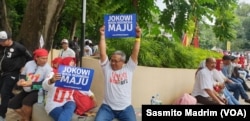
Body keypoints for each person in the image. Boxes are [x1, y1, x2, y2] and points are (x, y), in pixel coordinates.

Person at [95, 24, 142, 121]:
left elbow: (135, 53)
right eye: (112, 60)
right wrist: (102, 35)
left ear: (123, 62)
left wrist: (138, 37)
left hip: (125, 108)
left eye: (115, 61)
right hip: (107, 108)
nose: (112, 63)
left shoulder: (129, 69)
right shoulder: (107, 69)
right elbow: (103, 53)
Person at [42, 57, 95, 121]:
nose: (72, 67)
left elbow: (83, 87)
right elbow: (44, 86)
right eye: (70, 65)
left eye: (73, 65)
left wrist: (91, 95)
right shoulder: (54, 74)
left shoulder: (75, 76)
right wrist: (51, 80)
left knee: (71, 104)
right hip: (53, 104)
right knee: (65, 117)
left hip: (68, 101)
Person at [8, 48, 52, 121]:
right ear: (36, 58)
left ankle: (26, 119)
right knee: (12, 104)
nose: (45, 60)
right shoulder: (29, 64)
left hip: (39, 90)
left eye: (46, 58)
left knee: (26, 102)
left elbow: (45, 84)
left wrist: (32, 84)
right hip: (26, 89)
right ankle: (27, 117)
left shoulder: (48, 69)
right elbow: (23, 74)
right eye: (42, 58)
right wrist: (21, 80)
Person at [0, 31, 33, 121]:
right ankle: (17, 99)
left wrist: (24, 66)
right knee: (4, 91)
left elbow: (30, 57)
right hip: (3, 72)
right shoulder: (3, 47)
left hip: (12, 73)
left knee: (4, 93)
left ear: (9, 39)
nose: (1, 42)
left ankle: (2, 115)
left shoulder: (19, 47)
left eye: (3, 41)